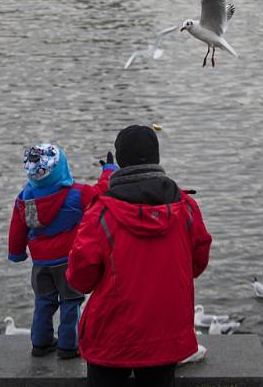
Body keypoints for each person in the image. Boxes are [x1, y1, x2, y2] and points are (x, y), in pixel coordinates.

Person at [66, 125, 212, 387]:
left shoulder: (101, 214)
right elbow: (197, 263)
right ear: (156, 157)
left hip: (110, 336)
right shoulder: (186, 208)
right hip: (166, 334)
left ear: (120, 160)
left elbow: (80, 278)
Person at [8, 143, 117, 359]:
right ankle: (68, 346)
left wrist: (17, 253)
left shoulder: (25, 198)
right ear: (62, 169)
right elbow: (101, 193)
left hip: (40, 265)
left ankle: (41, 343)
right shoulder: (77, 194)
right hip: (68, 262)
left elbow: (17, 227)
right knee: (71, 302)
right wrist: (109, 171)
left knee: (43, 302)